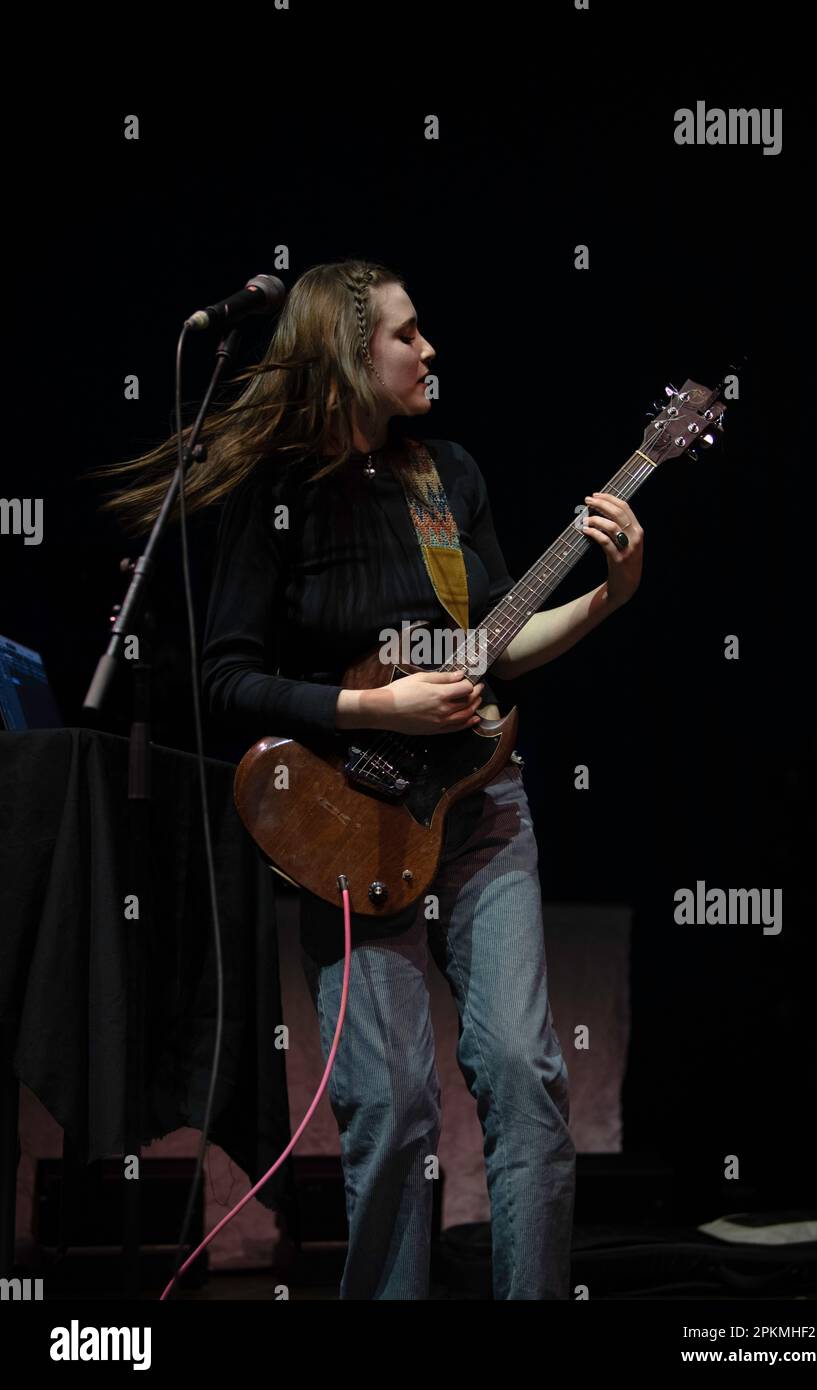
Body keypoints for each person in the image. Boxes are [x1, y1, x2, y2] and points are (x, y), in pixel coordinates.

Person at [98, 258, 644, 1299]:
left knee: (522, 1074)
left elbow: (497, 642)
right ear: (350, 355)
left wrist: (609, 598)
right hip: (348, 816)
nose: (429, 350)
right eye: (406, 334)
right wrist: (372, 709)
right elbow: (225, 678)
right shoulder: (275, 495)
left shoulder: (449, 474)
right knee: (389, 1104)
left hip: (478, 802)